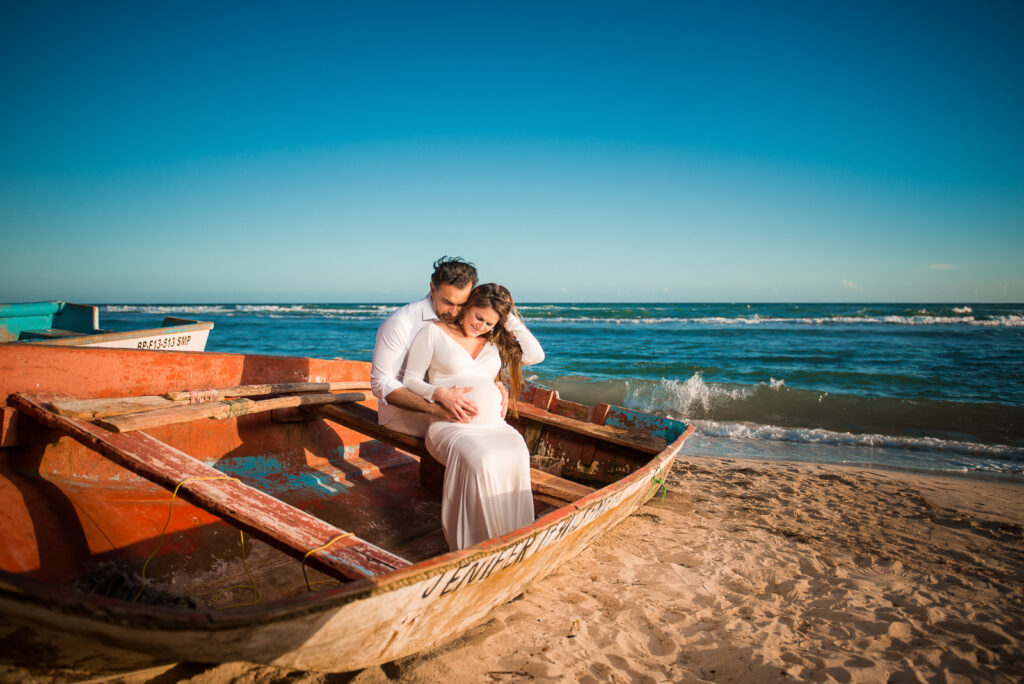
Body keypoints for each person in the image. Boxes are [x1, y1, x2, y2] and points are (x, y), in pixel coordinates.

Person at [402, 283, 545, 550]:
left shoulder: (494, 342)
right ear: (467, 306)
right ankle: (477, 545)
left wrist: (506, 316)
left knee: (518, 452)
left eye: (490, 323)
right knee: (480, 460)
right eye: (478, 317)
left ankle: (511, 538)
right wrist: (440, 393)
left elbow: (536, 355)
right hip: (451, 426)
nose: (481, 326)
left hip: (495, 426)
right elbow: (410, 379)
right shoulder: (433, 333)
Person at [370, 256, 482, 437]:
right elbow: (379, 384)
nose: (454, 312)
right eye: (448, 302)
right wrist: (436, 408)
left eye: (461, 304)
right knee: (472, 432)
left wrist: (499, 385)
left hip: (452, 402)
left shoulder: (466, 319)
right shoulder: (401, 323)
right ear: (432, 289)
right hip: (402, 412)